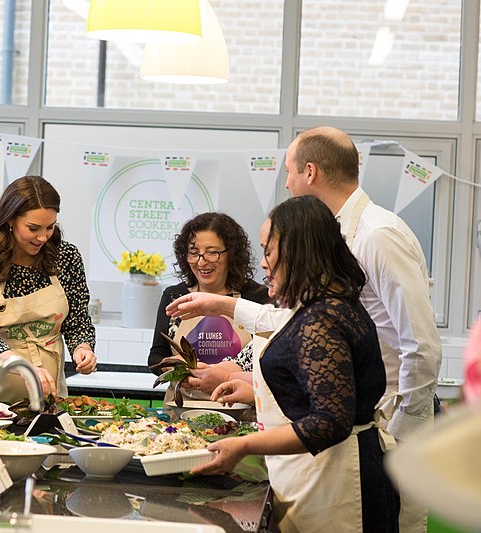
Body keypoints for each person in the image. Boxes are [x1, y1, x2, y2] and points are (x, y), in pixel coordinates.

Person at [170, 127, 441, 531]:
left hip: (381, 424)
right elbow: (300, 327)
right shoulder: (328, 264)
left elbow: (420, 346)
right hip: (354, 430)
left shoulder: (378, 235)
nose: (286, 182)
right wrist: (225, 306)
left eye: (289, 172)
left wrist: (402, 431)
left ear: (310, 172)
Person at [190, 195, 399, 532]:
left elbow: (330, 421)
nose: (263, 264)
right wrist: (252, 389)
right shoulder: (321, 305)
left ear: (298, 251)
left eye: (268, 251)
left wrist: (243, 446)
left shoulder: (323, 318)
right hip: (320, 474)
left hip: (338, 482)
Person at [0, 176, 97, 403]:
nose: (43, 237)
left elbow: (77, 322)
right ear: (10, 220)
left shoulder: (66, 258)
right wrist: (23, 367)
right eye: (33, 228)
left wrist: (82, 348)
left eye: (50, 227)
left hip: (50, 391)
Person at [147, 212, 270, 405]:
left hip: (240, 412)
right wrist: (174, 369)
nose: (202, 262)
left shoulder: (257, 297)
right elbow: (156, 356)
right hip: (181, 413)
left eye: (212, 252)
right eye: (194, 253)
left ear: (232, 253)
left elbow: (267, 362)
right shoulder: (174, 296)